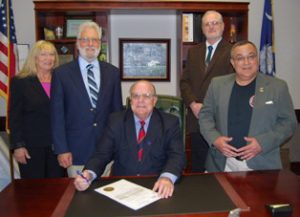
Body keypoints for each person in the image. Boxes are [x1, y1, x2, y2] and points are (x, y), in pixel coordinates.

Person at [74, 80, 186, 198]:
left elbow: (177, 155)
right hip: (122, 186)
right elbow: (101, 154)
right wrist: (89, 174)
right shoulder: (116, 121)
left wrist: (166, 177)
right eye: (136, 96)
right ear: (130, 100)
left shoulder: (169, 122)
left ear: (154, 100)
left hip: (157, 184)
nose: (140, 100)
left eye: (146, 96)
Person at [199, 40, 297, 172]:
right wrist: (215, 139)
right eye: (240, 58)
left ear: (257, 59)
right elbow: (205, 116)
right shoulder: (217, 85)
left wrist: (263, 143)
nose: (246, 62)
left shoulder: (277, 87)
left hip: (262, 163)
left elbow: (288, 123)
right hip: (221, 163)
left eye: (251, 57)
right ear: (232, 63)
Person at [51, 21, 123, 177]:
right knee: (80, 198)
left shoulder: (112, 73)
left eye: (95, 39)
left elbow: (117, 114)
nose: (90, 44)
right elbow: (57, 115)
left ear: (100, 43)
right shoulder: (61, 74)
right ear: (77, 43)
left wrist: (118, 146)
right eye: (85, 39)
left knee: (106, 196)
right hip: (76, 152)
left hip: (106, 151)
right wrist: (62, 149)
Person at [180, 10, 234, 172]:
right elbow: (184, 82)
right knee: (198, 167)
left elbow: (233, 85)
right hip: (196, 119)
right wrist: (192, 104)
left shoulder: (232, 51)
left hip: (220, 120)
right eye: (207, 24)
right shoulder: (193, 51)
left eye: (215, 23)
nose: (211, 27)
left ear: (223, 26)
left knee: (218, 169)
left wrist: (208, 108)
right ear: (202, 29)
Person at [9, 40, 64, 178]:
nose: (48, 58)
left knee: (57, 190)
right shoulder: (20, 81)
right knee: (34, 192)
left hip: (58, 147)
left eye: (52, 54)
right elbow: (14, 117)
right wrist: (18, 146)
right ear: (34, 58)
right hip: (31, 148)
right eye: (43, 54)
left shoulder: (62, 80)